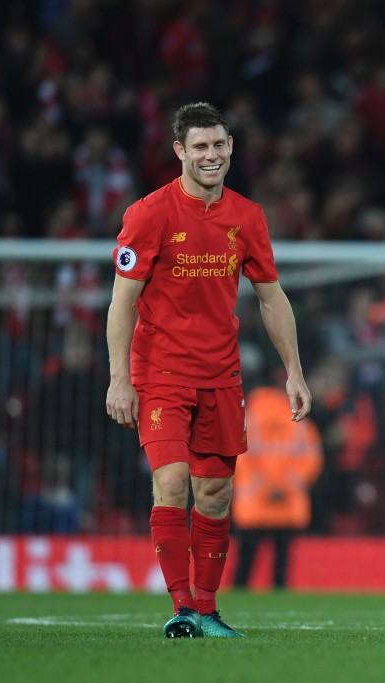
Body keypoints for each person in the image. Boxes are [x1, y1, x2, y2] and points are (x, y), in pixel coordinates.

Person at [105, 102, 311, 639]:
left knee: (215, 494)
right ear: (179, 151)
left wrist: (294, 370)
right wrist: (119, 378)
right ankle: (180, 609)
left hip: (222, 375)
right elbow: (122, 302)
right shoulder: (149, 214)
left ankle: (207, 608)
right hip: (162, 373)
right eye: (199, 146)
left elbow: (271, 297)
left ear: (231, 146)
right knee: (171, 484)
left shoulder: (247, 216)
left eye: (219, 144)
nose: (211, 155)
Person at [232, 384, 323, 590]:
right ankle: (279, 593)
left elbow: (239, 458)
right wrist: (285, 487)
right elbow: (311, 459)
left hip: (253, 504)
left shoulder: (248, 418)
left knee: (244, 563)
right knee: (281, 565)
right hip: (287, 503)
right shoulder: (299, 421)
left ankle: (234, 604)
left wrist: (264, 486)